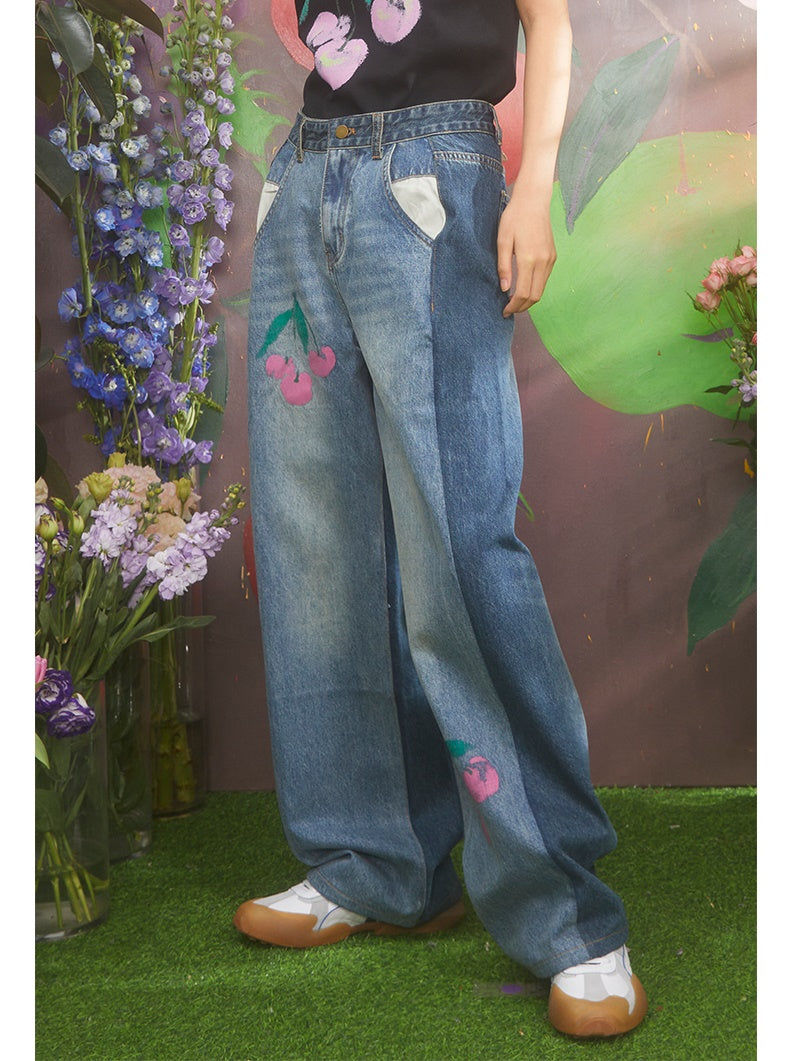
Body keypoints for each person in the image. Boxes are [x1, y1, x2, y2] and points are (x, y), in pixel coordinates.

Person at [236, 0, 647, 1039]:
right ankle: (376, 864)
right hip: (307, 173)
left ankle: (568, 913)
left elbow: (548, 21)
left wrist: (535, 183)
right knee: (320, 542)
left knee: (459, 550)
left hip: (434, 172)